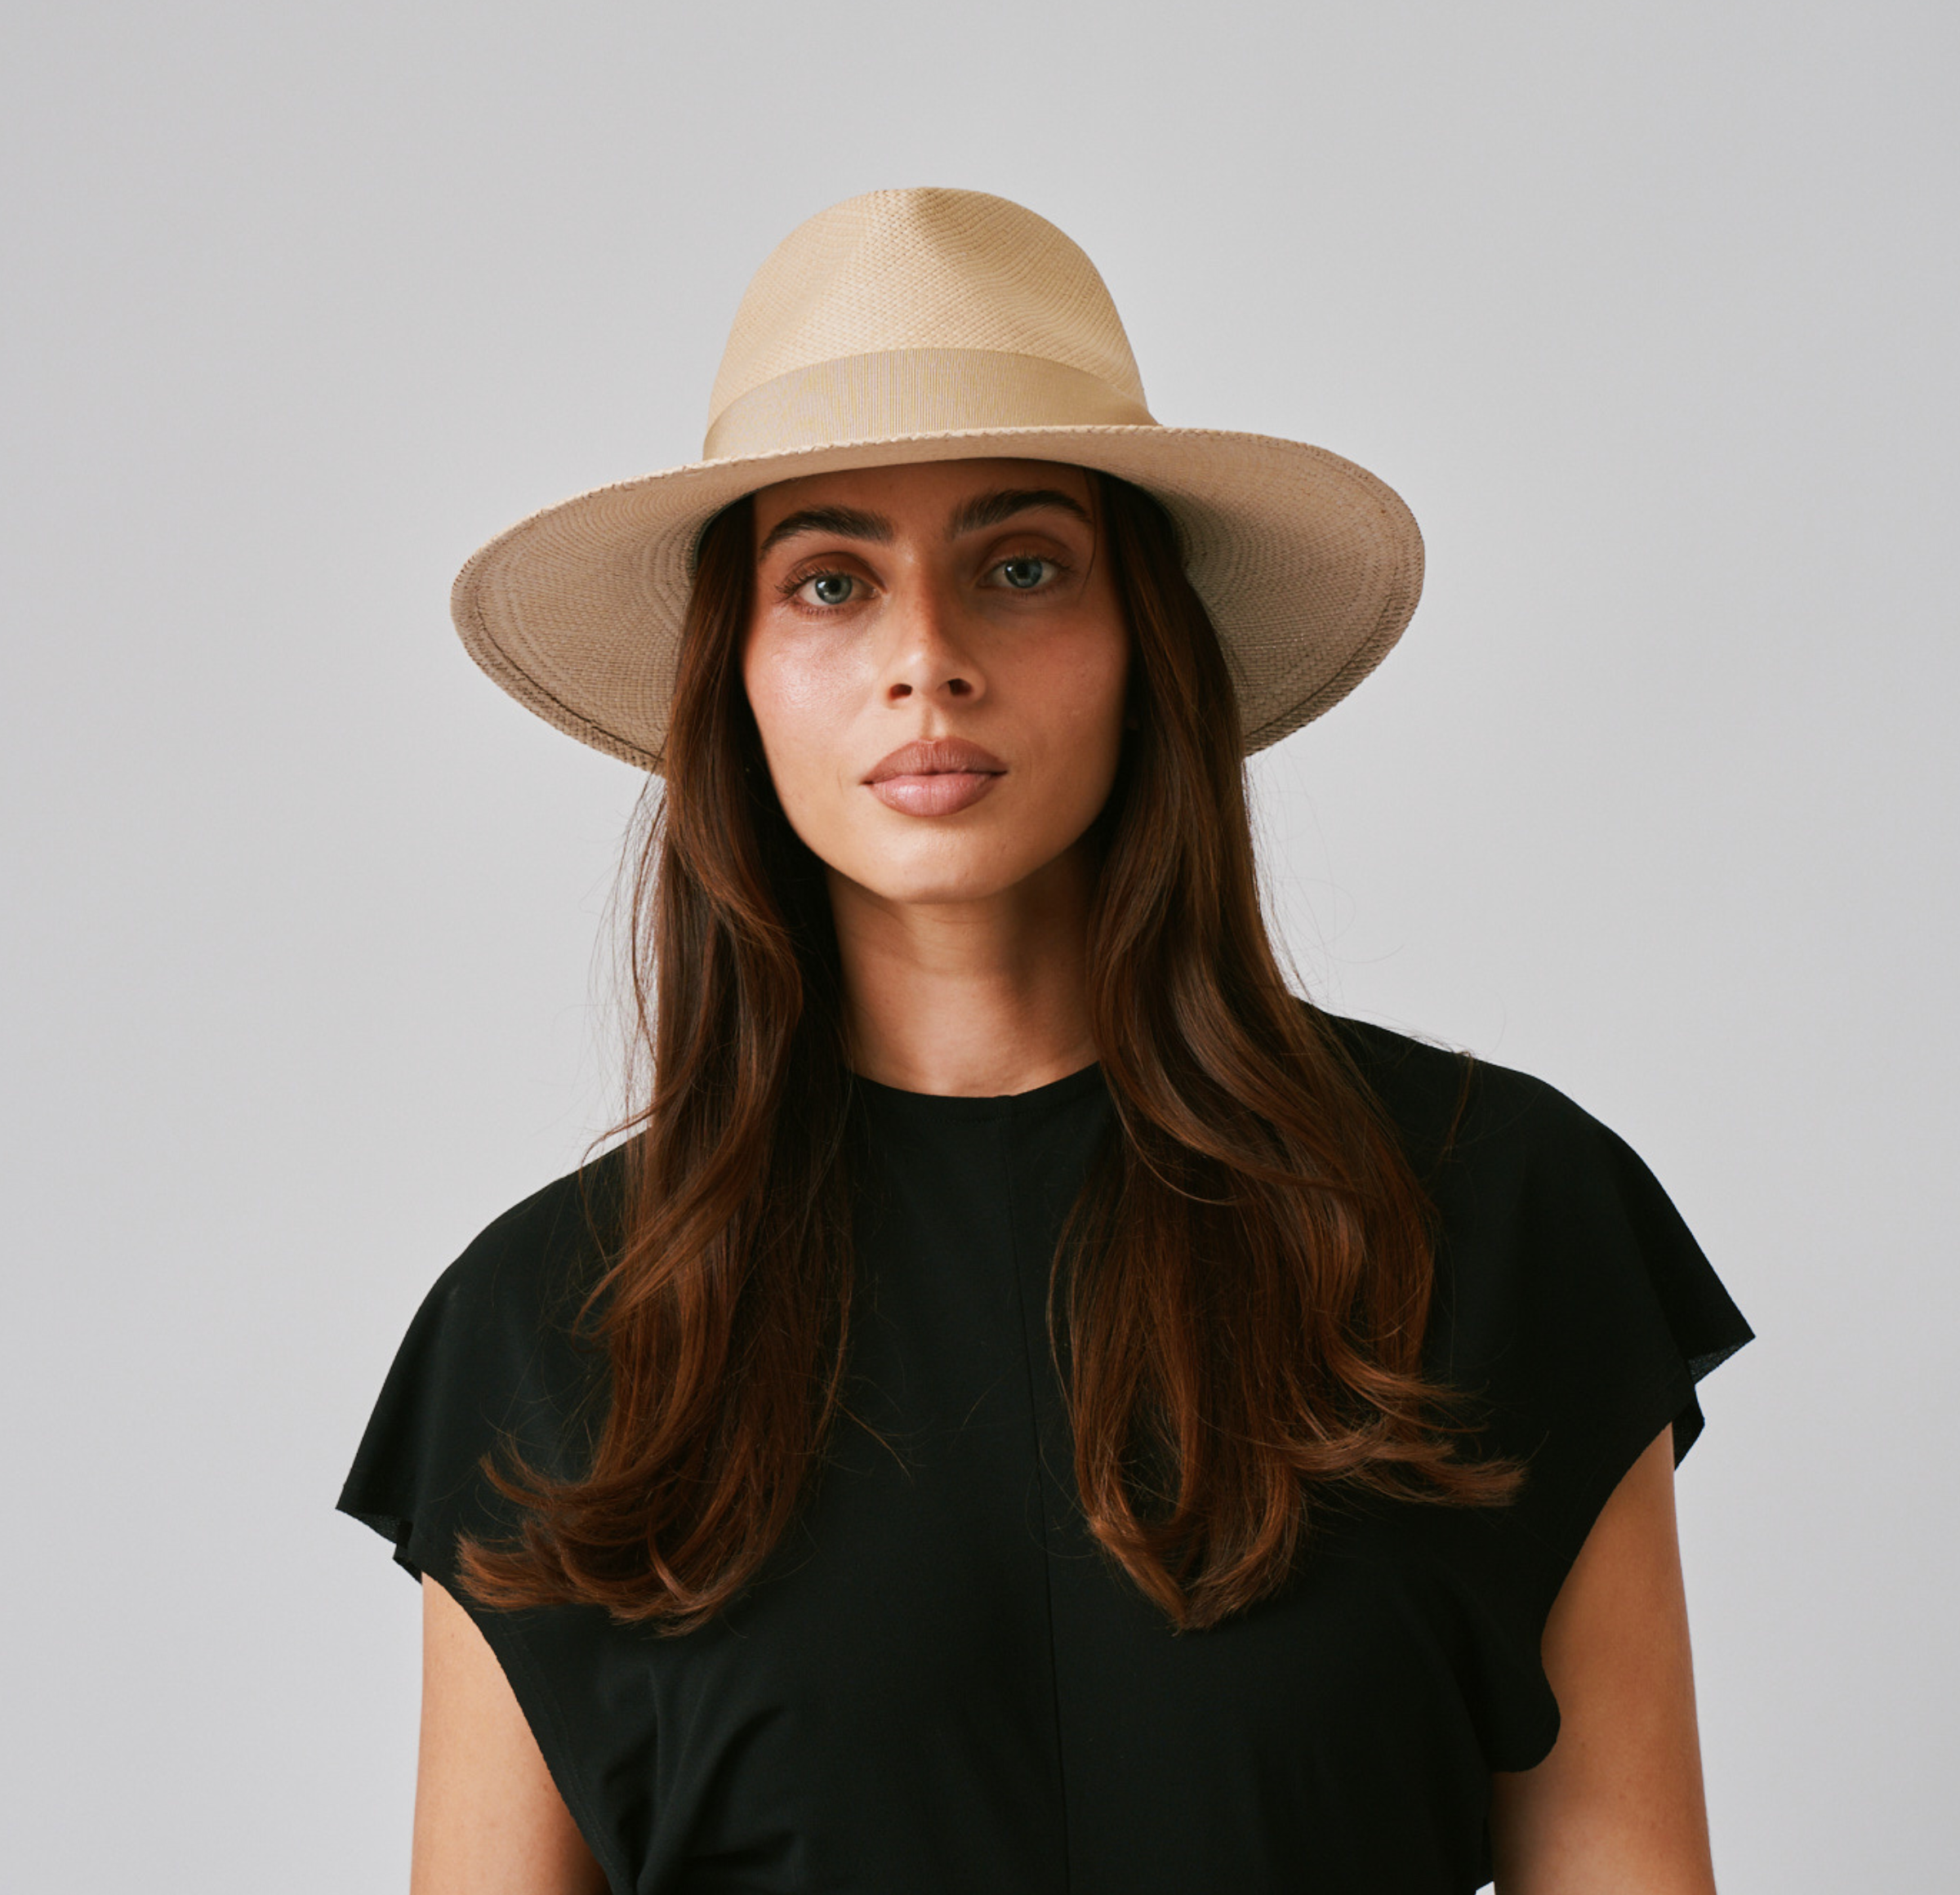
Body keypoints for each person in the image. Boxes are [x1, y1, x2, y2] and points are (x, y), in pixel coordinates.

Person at [338, 189, 1752, 1895]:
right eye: (832, 581)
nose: (927, 662)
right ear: (738, 676)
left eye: (1021, 567)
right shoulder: (547, 1336)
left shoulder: (1500, 1219)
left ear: (1144, 640)